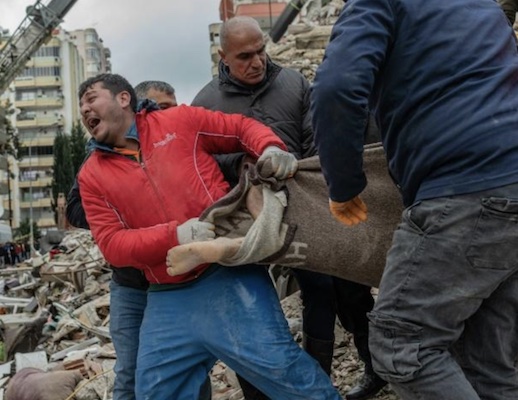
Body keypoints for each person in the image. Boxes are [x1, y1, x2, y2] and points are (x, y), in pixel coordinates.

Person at [76, 72, 342, 400]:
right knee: (155, 392)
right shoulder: (92, 175)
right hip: (169, 296)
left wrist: (270, 147)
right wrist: (175, 235)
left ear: (123, 98)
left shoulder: (179, 121)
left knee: (282, 370)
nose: (85, 109)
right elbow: (113, 245)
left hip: (226, 277)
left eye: (90, 98)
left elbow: (240, 129)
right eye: (80, 106)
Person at [310, 0, 518, 399]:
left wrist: (343, 185)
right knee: (487, 364)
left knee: (400, 344)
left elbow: (336, 87)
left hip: (463, 189)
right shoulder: (481, 7)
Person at [192, 15, 385, 400]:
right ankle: (308, 386)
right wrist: (245, 167)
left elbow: (318, 142)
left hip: (311, 206)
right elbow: (206, 163)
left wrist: (302, 172)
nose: (257, 62)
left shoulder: (293, 83)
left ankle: (371, 369)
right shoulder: (207, 103)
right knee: (269, 302)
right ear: (223, 56)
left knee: (344, 289)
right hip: (252, 220)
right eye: (245, 56)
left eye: (261, 51)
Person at [66, 80, 212, 400]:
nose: (163, 116)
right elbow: (75, 209)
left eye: (169, 108)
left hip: (186, 280)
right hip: (133, 285)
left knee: (191, 368)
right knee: (131, 373)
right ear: (132, 105)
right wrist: (129, 216)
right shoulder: (104, 160)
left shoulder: (177, 139)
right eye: (157, 108)